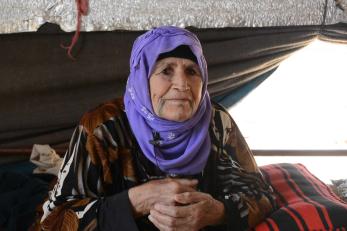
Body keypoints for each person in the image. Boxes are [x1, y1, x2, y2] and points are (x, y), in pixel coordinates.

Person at [40, 26, 276, 231]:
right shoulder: (103, 127)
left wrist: (217, 212)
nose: (182, 84)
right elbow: (55, 220)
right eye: (166, 71)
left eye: (192, 71)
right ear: (142, 77)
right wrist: (136, 201)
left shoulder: (216, 121)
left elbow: (261, 195)